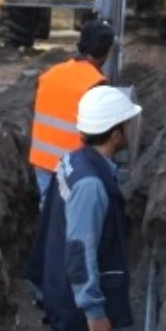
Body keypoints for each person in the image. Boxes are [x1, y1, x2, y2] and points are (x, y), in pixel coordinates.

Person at [26, 86, 140, 331]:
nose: (130, 132)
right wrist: (94, 311)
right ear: (116, 133)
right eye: (127, 126)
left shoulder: (74, 160)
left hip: (60, 290)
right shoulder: (91, 183)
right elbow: (79, 250)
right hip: (77, 306)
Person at [28, 20, 114, 209]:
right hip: (74, 168)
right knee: (73, 222)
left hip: (43, 162)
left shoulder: (49, 75)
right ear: (107, 53)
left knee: (49, 218)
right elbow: (101, 136)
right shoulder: (96, 84)